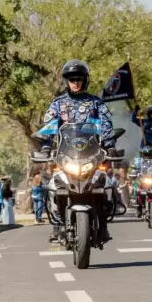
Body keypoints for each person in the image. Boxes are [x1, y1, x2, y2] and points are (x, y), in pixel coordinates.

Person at [42, 59, 115, 242]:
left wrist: (110, 144)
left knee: (105, 185)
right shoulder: (57, 104)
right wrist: (45, 145)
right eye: (72, 79)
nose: (75, 82)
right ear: (66, 81)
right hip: (66, 156)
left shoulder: (96, 103)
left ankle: (103, 225)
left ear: (85, 80)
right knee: (53, 187)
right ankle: (58, 225)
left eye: (79, 79)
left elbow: (106, 124)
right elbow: (49, 126)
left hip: (92, 155)